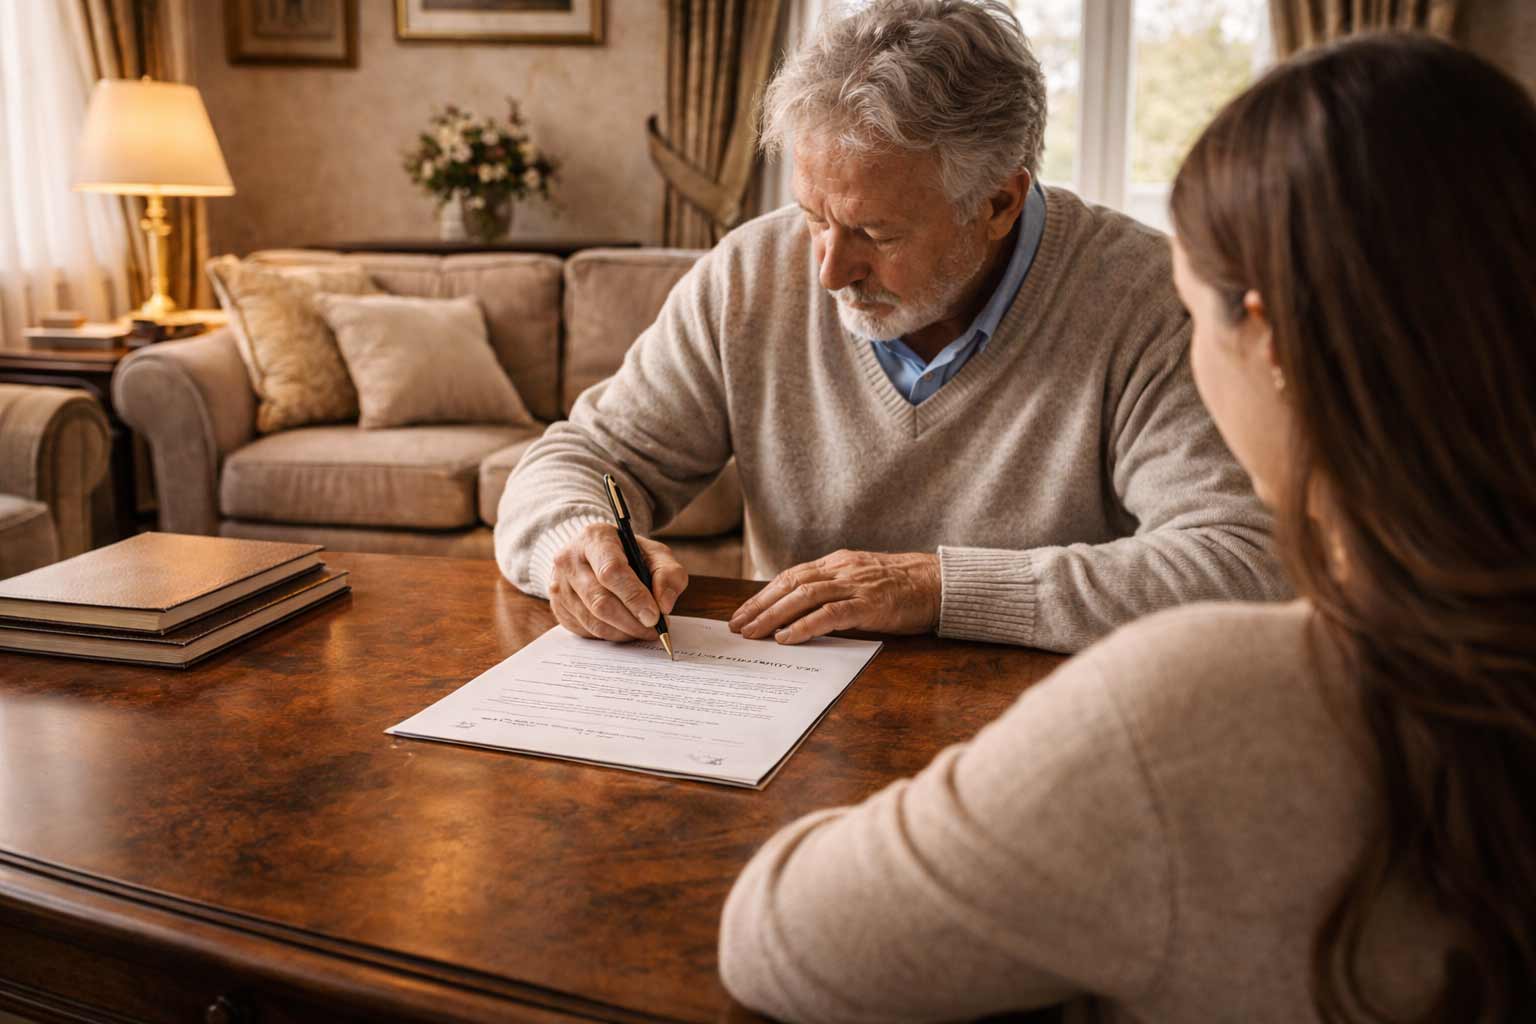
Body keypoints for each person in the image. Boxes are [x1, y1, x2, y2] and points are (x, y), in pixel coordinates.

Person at [718, 31, 1536, 1023]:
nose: (830, 266)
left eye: (1197, 316)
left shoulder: (1188, 713)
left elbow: (779, 938)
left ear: (1269, 341)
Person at [495, 0, 1286, 655]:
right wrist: (578, 534)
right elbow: (579, 458)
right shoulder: (748, 273)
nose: (828, 271)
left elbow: (1245, 562)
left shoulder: (1149, 297)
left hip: (1054, 736)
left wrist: (936, 588)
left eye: (875, 233)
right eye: (812, 218)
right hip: (782, 730)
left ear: (1000, 203)